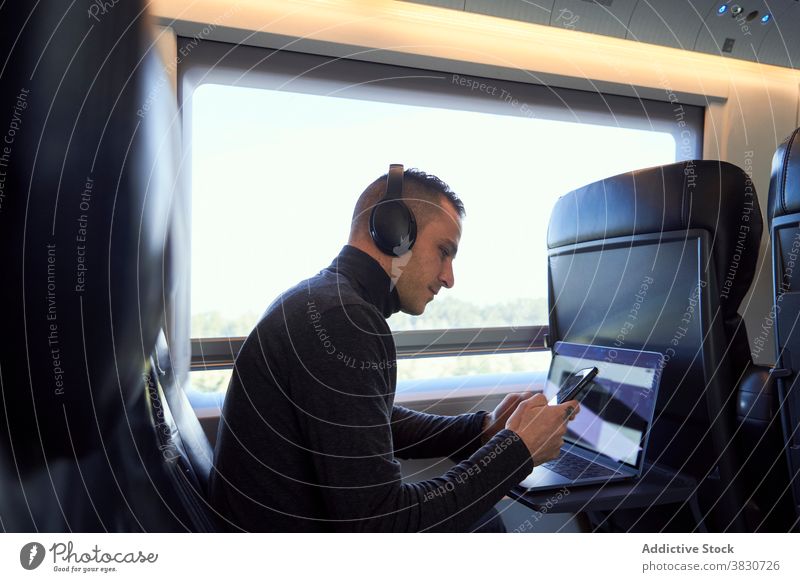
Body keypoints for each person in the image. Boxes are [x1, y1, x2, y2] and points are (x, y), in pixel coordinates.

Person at [209, 166, 580, 532]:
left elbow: (369, 420)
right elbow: (384, 525)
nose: (449, 278)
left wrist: (481, 431)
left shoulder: (323, 300)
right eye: (443, 251)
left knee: (484, 522)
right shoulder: (343, 319)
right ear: (394, 231)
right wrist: (518, 451)